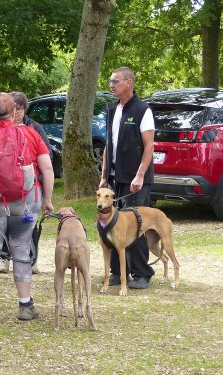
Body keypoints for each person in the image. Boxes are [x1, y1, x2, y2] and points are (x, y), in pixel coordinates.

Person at [0, 92, 54, 320]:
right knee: (21, 249)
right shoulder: (31, 134)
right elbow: (47, 169)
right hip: (26, 202)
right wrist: (47, 200)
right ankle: (25, 305)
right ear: (14, 111)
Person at [98, 67, 155, 289]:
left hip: (135, 179)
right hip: (115, 177)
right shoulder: (113, 109)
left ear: (129, 82)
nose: (111, 85)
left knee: (136, 223)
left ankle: (142, 273)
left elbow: (149, 146)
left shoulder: (143, 110)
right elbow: (108, 147)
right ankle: (117, 272)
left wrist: (140, 175)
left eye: (115, 81)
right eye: (110, 81)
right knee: (111, 223)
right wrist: (104, 176)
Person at [0, 91, 53, 275]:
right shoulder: (1, 126)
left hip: (31, 185)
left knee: (30, 223)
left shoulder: (34, 128)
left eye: (20, 109)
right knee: (6, 221)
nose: (17, 113)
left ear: (24, 110)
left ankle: (31, 259)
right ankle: (5, 258)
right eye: (14, 109)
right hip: (6, 185)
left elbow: (47, 156)